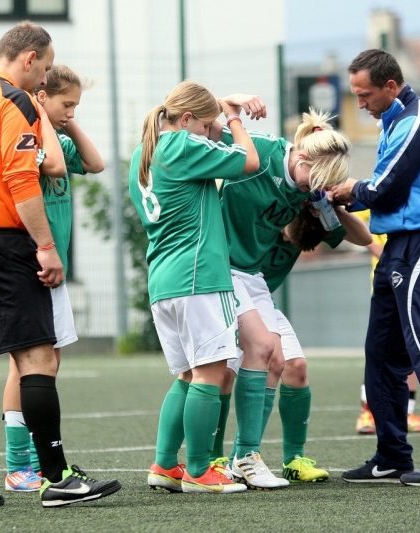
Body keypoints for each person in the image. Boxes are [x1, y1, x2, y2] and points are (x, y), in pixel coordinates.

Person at [0, 21, 120, 509]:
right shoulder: (12, 101)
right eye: (43, 68)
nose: (43, 80)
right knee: (38, 359)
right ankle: (55, 478)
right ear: (29, 58)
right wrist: (46, 247)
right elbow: (23, 181)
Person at [332, 49, 420, 486]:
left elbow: (387, 188)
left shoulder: (416, 121)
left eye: (365, 94)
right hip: (398, 243)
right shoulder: (393, 120)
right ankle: (392, 455)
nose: (360, 103)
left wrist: (347, 189)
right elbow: (384, 190)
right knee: (382, 352)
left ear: (390, 87)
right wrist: (340, 195)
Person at [129, 81, 266, 494]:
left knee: (187, 376)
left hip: (163, 281)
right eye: (206, 126)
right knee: (210, 373)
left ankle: (166, 465)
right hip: (197, 278)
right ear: (186, 120)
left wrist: (216, 118)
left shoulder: (145, 152)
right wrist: (233, 116)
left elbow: (215, 151)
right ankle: (200, 471)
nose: (213, 132)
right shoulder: (182, 147)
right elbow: (249, 160)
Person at [215, 110, 352, 489]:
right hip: (219, 268)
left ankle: (266, 457)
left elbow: (354, 237)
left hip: (251, 279)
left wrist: (335, 203)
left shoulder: (312, 194)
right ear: (302, 159)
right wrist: (230, 109)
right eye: (318, 181)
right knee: (218, 371)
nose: (316, 190)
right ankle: (216, 459)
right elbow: (196, 135)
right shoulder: (260, 151)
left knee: (291, 364)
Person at [1, 64, 105, 492]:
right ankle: (18, 465)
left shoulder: (59, 134)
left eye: (77, 106)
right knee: (26, 366)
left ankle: (38, 459)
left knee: (48, 363)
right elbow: (58, 168)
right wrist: (42, 114)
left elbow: (95, 164)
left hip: (53, 269)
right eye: (67, 103)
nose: (72, 112)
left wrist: (67, 119)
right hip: (32, 265)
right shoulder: (36, 140)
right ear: (42, 97)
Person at [256, 199, 372, 483]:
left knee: (296, 367)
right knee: (221, 374)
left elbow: (364, 237)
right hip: (231, 293)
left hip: (263, 301)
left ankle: (294, 460)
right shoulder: (264, 205)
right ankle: (231, 458)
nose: (286, 240)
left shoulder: (312, 215)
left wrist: (334, 209)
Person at [353, 210, 420, 435]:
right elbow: (352, 219)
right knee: (379, 349)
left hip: (412, 281)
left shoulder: (413, 201)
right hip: (386, 283)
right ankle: (367, 412)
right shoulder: (378, 195)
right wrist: (380, 251)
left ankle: (408, 412)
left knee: (410, 348)